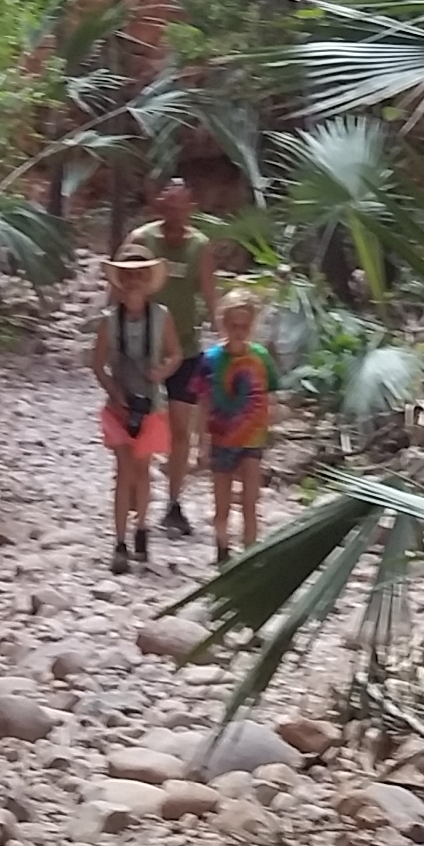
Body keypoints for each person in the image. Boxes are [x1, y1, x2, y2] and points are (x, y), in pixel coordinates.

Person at [125, 176, 218, 537]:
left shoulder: (199, 247)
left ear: (191, 208)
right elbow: (120, 286)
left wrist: (226, 337)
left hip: (186, 349)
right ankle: (136, 495)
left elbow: (209, 294)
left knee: (181, 429)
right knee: (141, 425)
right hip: (142, 348)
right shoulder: (141, 240)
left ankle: (175, 503)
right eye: (170, 206)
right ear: (160, 206)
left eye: (182, 207)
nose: (176, 214)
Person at [90, 247, 181, 573]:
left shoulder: (162, 317)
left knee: (142, 471)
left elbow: (175, 354)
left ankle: (141, 528)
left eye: (139, 275)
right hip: (120, 407)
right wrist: (114, 393)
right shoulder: (108, 322)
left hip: (150, 405)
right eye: (128, 275)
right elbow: (97, 363)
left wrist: (162, 371)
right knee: (124, 471)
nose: (133, 281)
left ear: (148, 280)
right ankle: (119, 542)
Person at [204, 287, 279, 564]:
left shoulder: (260, 357)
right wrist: (200, 441)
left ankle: (250, 555)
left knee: (250, 501)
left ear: (252, 326)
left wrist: (269, 425)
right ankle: (222, 551)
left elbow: (269, 394)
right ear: (224, 324)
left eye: (244, 326)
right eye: (233, 326)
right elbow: (203, 400)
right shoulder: (211, 359)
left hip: (253, 438)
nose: (239, 332)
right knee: (222, 504)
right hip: (221, 436)